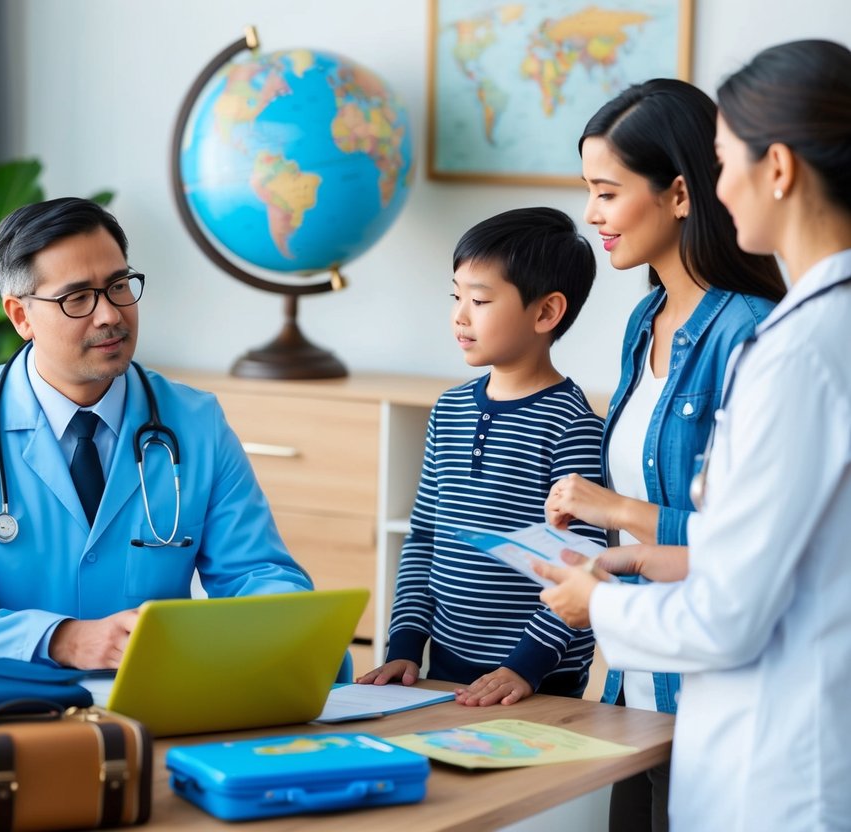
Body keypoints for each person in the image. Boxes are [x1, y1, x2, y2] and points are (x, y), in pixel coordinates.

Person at [537, 39, 851, 830]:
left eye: (723, 160)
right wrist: (662, 557)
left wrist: (601, 605)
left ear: (776, 168)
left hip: (776, 764)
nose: (716, 185)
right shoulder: (808, 331)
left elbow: (729, 611)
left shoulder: (788, 349)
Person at [0, 197, 312, 669]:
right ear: (21, 316)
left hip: (157, 705)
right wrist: (62, 640)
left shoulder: (195, 421)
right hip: (10, 711)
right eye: (77, 298)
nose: (110, 315)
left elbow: (256, 573)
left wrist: (292, 622)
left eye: (119, 285)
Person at [357, 207, 605, 706]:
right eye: (456, 296)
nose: (459, 315)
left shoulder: (572, 425)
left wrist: (525, 666)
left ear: (546, 313)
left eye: (480, 299)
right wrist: (405, 645)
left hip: (536, 680)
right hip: (444, 669)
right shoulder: (449, 409)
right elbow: (423, 536)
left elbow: (583, 564)